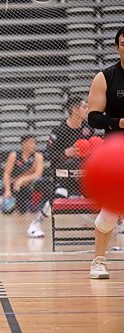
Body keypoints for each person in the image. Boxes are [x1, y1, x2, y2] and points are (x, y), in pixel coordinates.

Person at [86, 26, 124, 279]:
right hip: (117, 154)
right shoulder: (106, 77)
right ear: (117, 46)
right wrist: (119, 123)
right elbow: (93, 118)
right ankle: (98, 262)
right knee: (110, 212)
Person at [27, 96, 94, 238]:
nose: (87, 109)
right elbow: (46, 154)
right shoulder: (60, 131)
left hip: (84, 175)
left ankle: (117, 224)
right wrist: (65, 152)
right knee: (58, 196)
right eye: (84, 107)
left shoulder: (88, 129)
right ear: (74, 110)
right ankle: (36, 223)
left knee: (102, 193)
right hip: (63, 175)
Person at [2, 134, 44, 215]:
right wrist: (7, 190)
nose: (33, 145)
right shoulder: (14, 155)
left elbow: (38, 174)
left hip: (30, 185)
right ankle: (15, 203)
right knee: (8, 211)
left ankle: (37, 205)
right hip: (15, 186)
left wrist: (22, 179)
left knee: (40, 182)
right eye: (31, 143)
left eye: (34, 143)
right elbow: (6, 174)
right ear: (23, 144)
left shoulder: (38, 156)